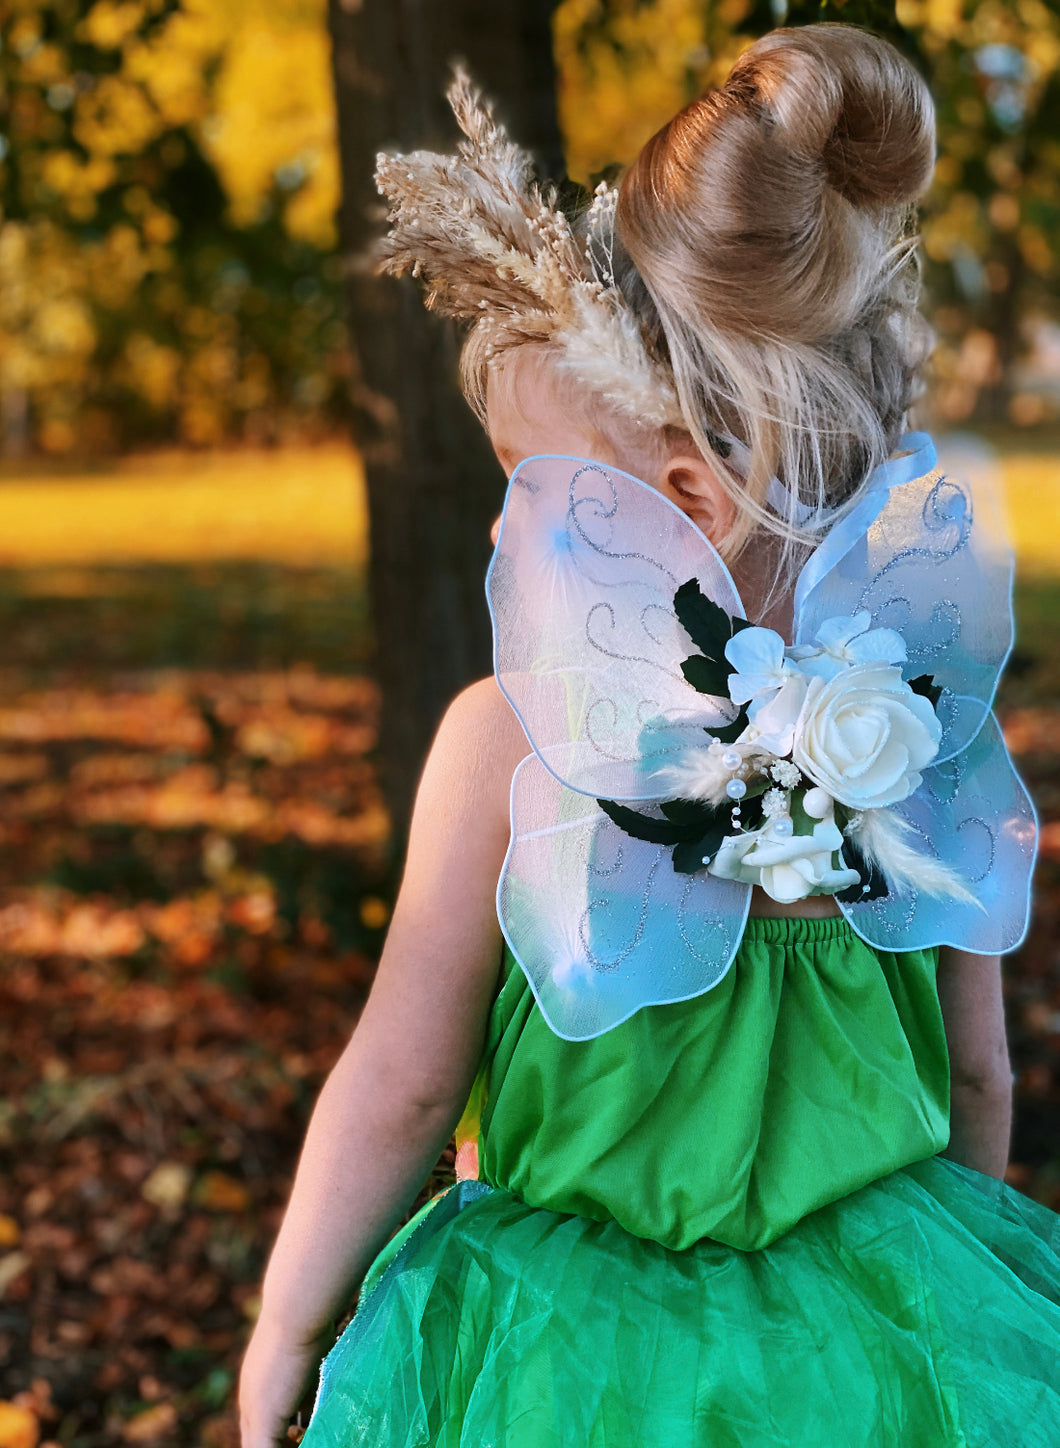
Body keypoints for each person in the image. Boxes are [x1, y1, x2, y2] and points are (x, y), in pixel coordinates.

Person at [239, 24, 1060, 1448]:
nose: (511, 535)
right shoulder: (921, 732)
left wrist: (287, 1331)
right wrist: (954, 1323)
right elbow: (977, 1077)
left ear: (680, 488)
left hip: (564, 1367)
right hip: (871, 1358)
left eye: (533, 492)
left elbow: (403, 1078)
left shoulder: (503, 743)